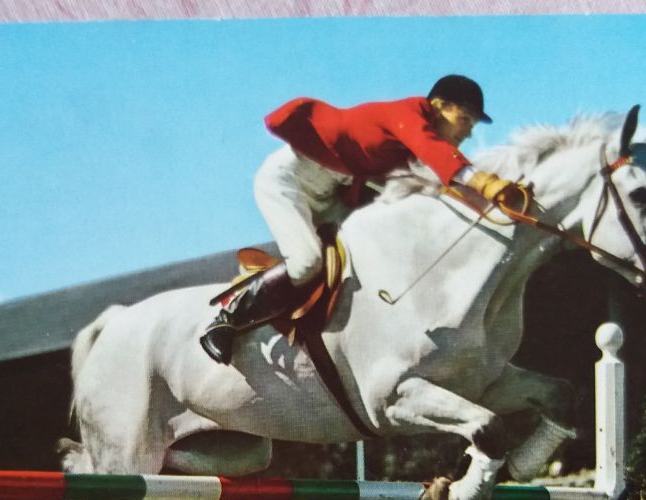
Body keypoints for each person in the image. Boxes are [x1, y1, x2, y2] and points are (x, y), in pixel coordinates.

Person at [199, 75, 524, 364]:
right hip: (288, 181)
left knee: (373, 254)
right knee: (307, 261)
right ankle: (229, 318)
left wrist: (501, 201)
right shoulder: (407, 115)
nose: (467, 132)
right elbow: (438, 154)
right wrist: (487, 184)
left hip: (330, 195)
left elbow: (440, 187)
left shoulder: (412, 146)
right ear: (438, 106)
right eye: (464, 119)